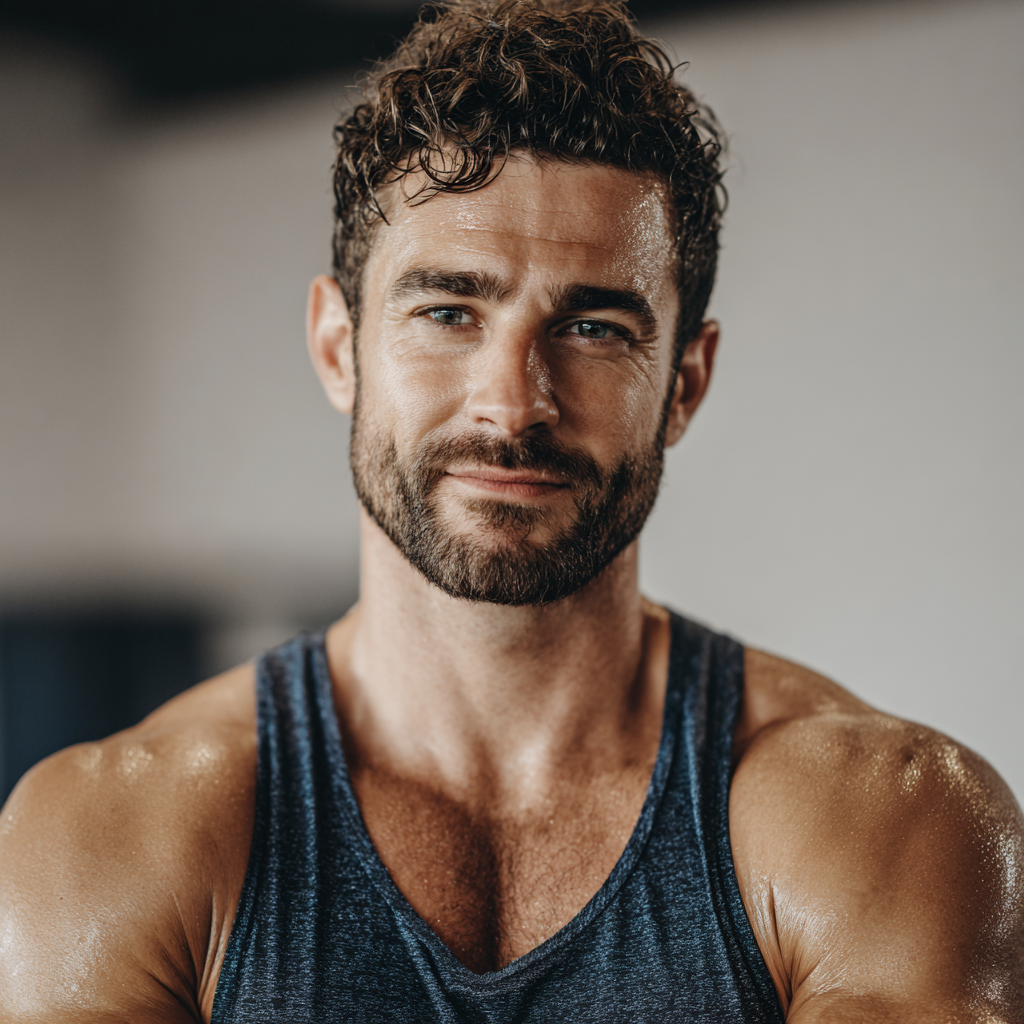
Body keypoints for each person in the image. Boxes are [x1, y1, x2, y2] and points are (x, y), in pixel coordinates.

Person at [1, 0, 1021, 1020]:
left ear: (685, 382)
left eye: (593, 326)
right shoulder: (112, 835)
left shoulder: (879, 819)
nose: (513, 403)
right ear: (336, 347)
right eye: (448, 311)